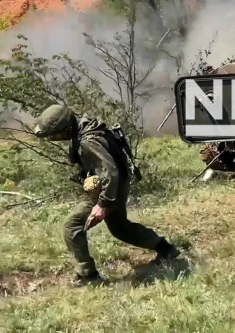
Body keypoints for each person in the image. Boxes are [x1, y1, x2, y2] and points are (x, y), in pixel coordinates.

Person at [33, 104, 180, 286]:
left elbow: (111, 172)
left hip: (111, 188)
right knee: (121, 229)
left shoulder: (88, 141)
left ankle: (88, 276)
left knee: (72, 227)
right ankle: (166, 249)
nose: (54, 138)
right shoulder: (83, 128)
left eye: (55, 134)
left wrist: (103, 204)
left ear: (66, 128)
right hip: (115, 186)